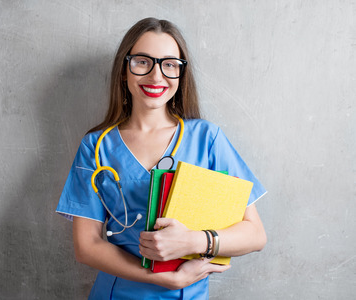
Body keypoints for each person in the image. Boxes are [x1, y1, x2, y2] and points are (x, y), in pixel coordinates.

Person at [56, 17, 267, 299]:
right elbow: (87, 246)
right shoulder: (96, 146)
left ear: (181, 74)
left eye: (169, 64)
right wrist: (164, 279)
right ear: (124, 70)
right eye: (143, 62)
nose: (156, 76)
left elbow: (255, 235)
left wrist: (195, 240)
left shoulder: (207, 139)